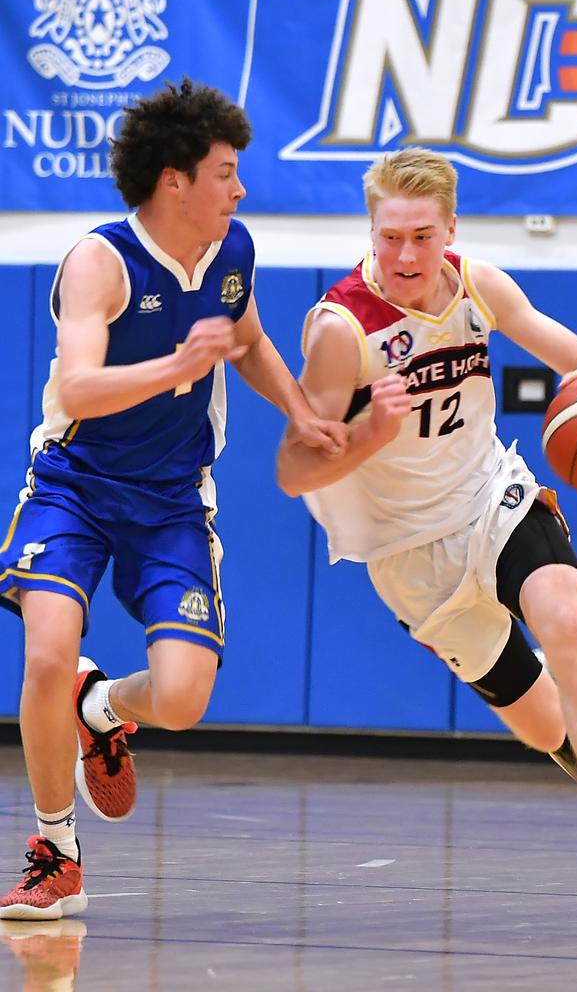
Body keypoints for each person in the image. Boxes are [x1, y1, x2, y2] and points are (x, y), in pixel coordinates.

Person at [276, 147, 577, 927]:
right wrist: (366, 437)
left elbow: (564, 350)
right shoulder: (342, 329)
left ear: (451, 227)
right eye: (390, 237)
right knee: (548, 725)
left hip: (492, 498)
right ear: (370, 230)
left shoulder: (478, 284)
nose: (406, 255)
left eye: (422, 236)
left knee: (568, 617)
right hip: (409, 555)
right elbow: (291, 469)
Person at [0, 77, 345, 920]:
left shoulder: (233, 253)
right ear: (174, 180)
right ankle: (56, 849)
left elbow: (251, 339)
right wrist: (178, 367)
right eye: (226, 171)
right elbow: (77, 389)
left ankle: (102, 706)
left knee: (184, 697)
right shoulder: (99, 260)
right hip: (76, 487)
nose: (241, 188)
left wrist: (302, 409)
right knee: (46, 651)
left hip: (172, 499)